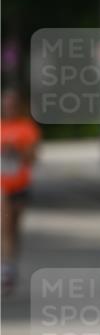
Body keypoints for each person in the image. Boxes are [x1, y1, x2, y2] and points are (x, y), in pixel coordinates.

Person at [1, 86, 41, 295]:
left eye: (12, 104)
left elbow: (32, 158)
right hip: (2, 186)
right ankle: (6, 270)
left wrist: (17, 150)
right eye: (6, 104)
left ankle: (10, 265)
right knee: (5, 226)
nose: (9, 108)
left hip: (21, 185)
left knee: (13, 228)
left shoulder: (27, 128)